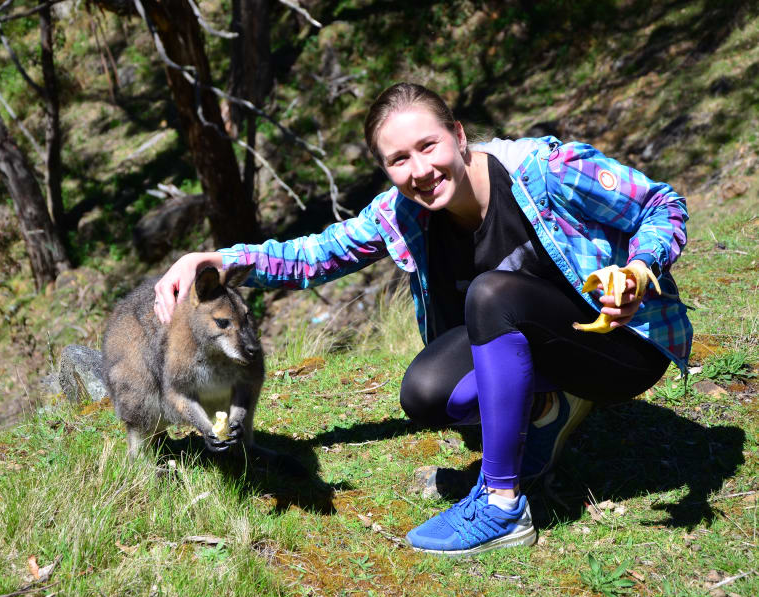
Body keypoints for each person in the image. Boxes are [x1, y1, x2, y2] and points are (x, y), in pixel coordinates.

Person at [152, 82, 692, 557]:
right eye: (398, 159)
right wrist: (220, 261)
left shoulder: (545, 171)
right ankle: (548, 407)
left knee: (490, 294)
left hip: (620, 344)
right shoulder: (402, 212)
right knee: (429, 393)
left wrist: (640, 270)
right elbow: (317, 253)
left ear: (459, 136)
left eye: (428, 145)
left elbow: (662, 204)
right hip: (545, 345)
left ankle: (502, 506)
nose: (420, 170)